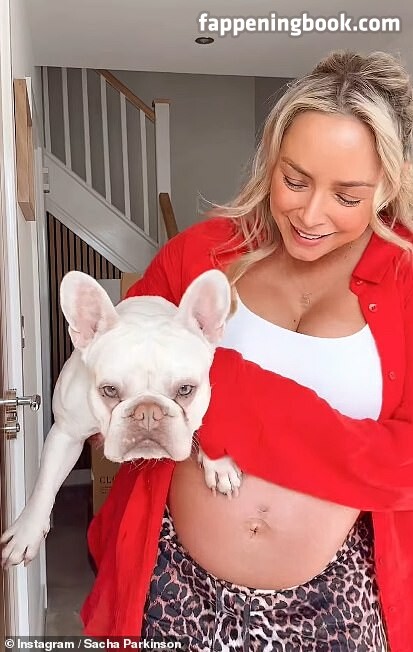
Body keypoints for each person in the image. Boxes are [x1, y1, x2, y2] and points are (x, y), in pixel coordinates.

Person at [81, 50, 413, 651]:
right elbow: (109, 378)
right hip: (172, 581)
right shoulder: (198, 256)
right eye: (295, 180)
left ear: (389, 184)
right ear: (270, 160)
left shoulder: (406, 281)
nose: (310, 215)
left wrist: (234, 397)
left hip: (338, 599)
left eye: (348, 195)